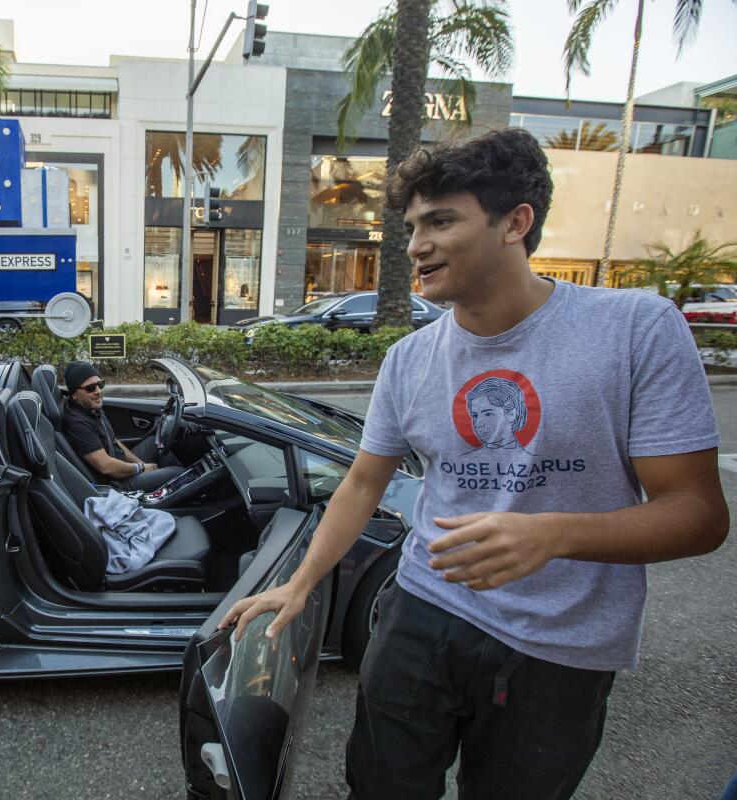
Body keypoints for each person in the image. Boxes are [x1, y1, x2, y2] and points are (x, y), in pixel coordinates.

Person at [222, 128, 728, 799]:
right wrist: (304, 583)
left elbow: (697, 515)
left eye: (441, 221)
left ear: (516, 222)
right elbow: (364, 482)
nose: (415, 246)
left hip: (562, 643)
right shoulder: (410, 359)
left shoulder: (634, 329)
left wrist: (555, 534)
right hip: (424, 609)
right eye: (409, 227)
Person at [61, 361, 184, 491]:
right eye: (90, 388)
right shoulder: (77, 422)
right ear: (74, 394)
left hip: (121, 466)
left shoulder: (93, 408)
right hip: (117, 483)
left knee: (157, 443)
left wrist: (141, 464)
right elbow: (106, 466)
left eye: (100, 384)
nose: (98, 391)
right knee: (178, 473)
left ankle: (173, 495)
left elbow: (115, 442)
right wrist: (140, 468)